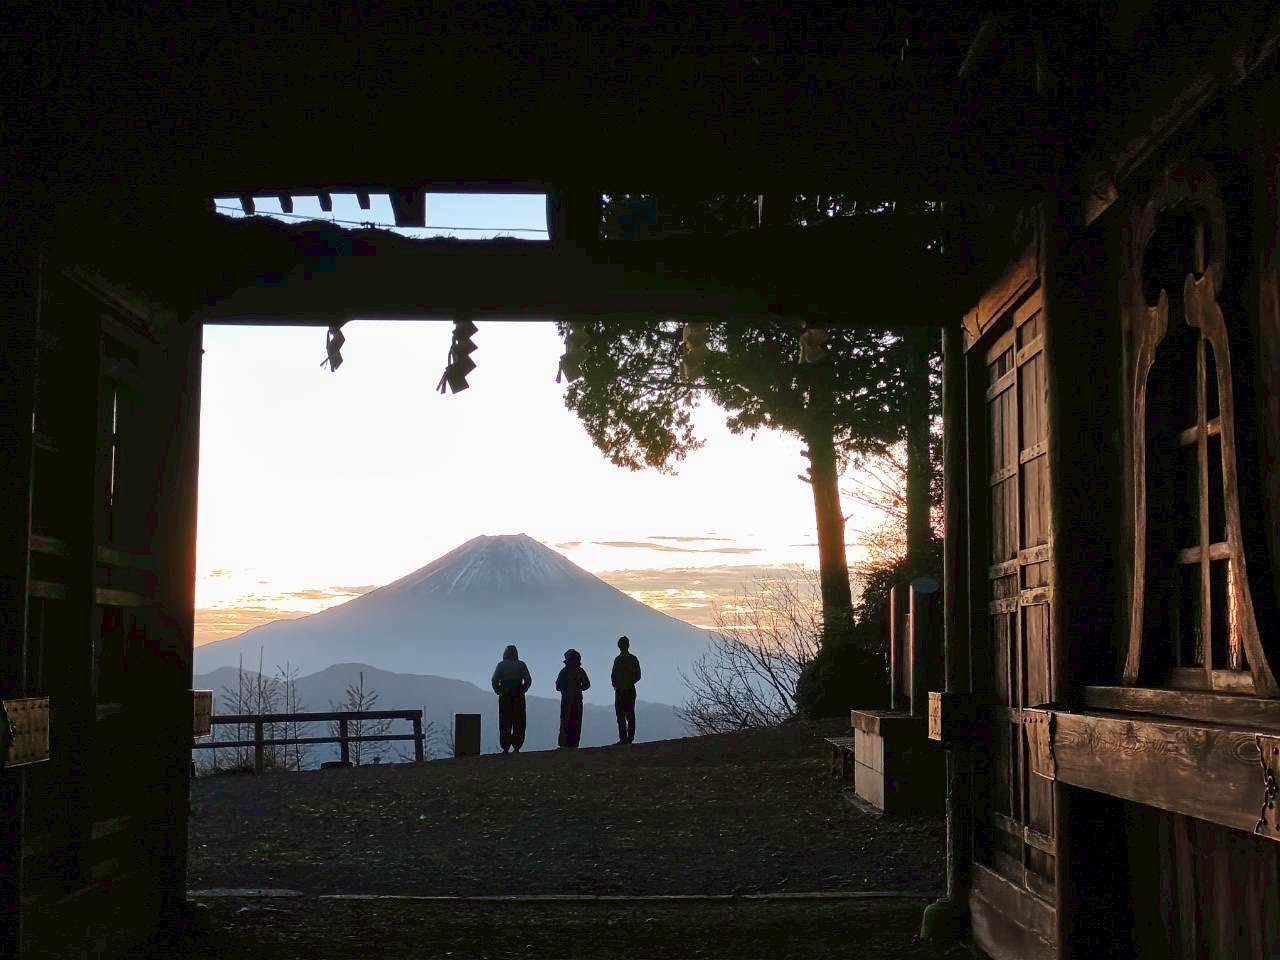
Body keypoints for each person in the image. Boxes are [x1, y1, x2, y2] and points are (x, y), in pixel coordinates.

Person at [491, 644, 532, 753]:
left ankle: (505, 746)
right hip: (518, 696)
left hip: (505, 696)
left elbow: (494, 680)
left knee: (505, 721)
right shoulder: (521, 665)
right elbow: (528, 680)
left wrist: (498, 690)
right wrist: (523, 689)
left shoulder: (501, 665)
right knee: (519, 721)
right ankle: (517, 746)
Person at [555, 648, 591, 749]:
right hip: (577, 699)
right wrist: (579, 688)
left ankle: (564, 743)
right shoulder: (580, 671)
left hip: (567, 700)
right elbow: (587, 685)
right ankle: (573, 744)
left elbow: (558, 686)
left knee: (566, 721)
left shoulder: (564, 671)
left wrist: (566, 689)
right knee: (576, 721)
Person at [611, 635, 642, 745]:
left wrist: (618, 684)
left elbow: (613, 676)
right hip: (626, 690)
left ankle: (625, 738)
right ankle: (628, 738)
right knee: (627, 714)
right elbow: (638, 675)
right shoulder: (631, 659)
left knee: (623, 715)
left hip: (623, 690)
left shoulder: (618, 660)